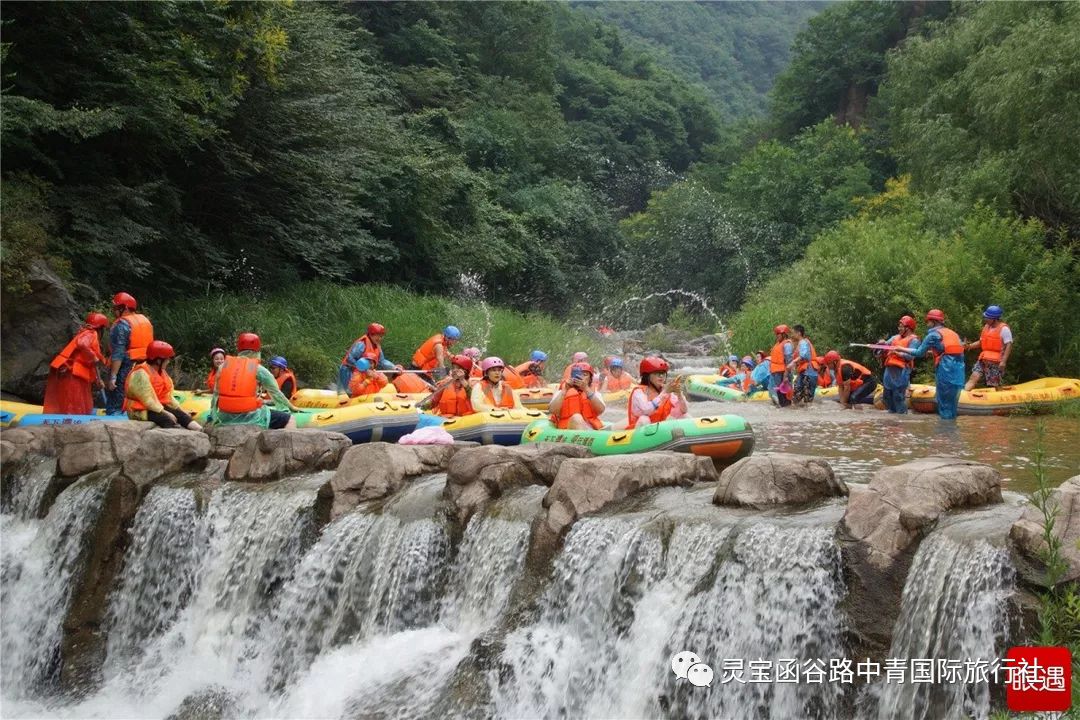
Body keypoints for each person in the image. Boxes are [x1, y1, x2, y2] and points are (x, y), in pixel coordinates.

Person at [210, 332, 303, 428]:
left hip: (224, 416)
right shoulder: (258, 369)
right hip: (250, 416)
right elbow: (276, 393)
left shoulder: (223, 366)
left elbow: (215, 395)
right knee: (289, 419)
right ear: (257, 351)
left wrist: (212, 416)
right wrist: (291, 407)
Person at [891, 309, 966, 420]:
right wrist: (932, 352)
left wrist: (900, 348)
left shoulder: (932, 335)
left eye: (928, 322)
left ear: (934, 322)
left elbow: (919, 353)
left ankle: (944, 434)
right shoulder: (953, 333)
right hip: (959, 370)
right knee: (952, 403)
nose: (927, 324)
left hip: (945, 369)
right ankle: (952, 431)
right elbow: (949, 349)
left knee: (943, 402)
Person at [124, 341, 202, 430]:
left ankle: (200, 430)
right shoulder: (141, 373)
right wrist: (165, 412)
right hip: (139, 410)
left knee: (181, 415)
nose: (168, 361)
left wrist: (180, 410)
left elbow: (167, 396)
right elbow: (148, 400)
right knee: (168, 419)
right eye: (167, 359)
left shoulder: (161, 372)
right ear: (158, 360)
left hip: (157, 406)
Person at [43, 312, 109, 415]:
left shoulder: (85, 332)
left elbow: (90, 366)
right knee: (74, 406)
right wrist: (94, 356)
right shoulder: (90, 333)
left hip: (74, 374)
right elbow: (82, 344)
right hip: (73, 375)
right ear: (100, 328)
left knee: (77, 404)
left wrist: (97, 380)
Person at [104, 292, 154, 415]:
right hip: (146, 366)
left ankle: (115, 415)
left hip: (126, 366)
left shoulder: (122, 325)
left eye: (116, 308)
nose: (114, 311)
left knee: (117, 398)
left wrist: (113, 376)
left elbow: (118, 353)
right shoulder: (145, 321)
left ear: (124, 308)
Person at [627, 356, 690, 428]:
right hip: (637, 430)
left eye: (663, 373)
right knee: (644, 419)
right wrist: (664, 392)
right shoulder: (639, 392)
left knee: (685, 416)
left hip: (658, 429)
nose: (661, 376)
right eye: (657, 373)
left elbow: (684, 410)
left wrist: (679, 394)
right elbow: (646, 410)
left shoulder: (665, 390)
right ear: (647, 376)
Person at [964, 305, 1013, 391]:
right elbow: (981, 342)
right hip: (983, 359)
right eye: (985, 317)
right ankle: (961, 395)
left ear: (995, 319)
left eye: (988, 318)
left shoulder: (1004, 329)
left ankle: (1000, 399)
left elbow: (1009, 345)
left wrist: (1003, 361)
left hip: (996, 362)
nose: (985, 319)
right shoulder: (986, 327)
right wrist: (969, 346)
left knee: (995, 384)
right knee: (974, 377)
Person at [339, 323, 396, 395]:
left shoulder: (377, 346)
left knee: (362, 390)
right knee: (351, 392)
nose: (380, 339)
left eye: (381, 336)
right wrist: (363, 369)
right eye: (378, 336)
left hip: (362, 372)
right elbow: (350, 358)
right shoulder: (362, 344)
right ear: (371, 334)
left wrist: (394, 367)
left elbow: (382, 361)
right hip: (348, 370)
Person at [879, 315, 919, 413]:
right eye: (899, 327)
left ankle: (901, 418)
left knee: (898, 396)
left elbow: (911, 356)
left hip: (902, 370)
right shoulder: (894, 338)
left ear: (908, 328)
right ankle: (892, 418)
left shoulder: (914, 340)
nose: (899, 329)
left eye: (901, 327)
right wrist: (882, 343)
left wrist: (898, 353)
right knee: (886, 396)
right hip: (889, 369)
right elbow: (885, 347)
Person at [549, 363, 606, 429]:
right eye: (577, 374)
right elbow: (553, 411)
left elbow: (601, 410)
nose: (581, 377)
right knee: (577, 417)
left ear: (590, 379)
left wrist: (586, 389)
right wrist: (564, 391)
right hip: (569, 428)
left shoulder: (594, 393)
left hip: (591, 428)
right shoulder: (561, 392)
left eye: (584, 375)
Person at [787, 325, 819, 405]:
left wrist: (792, 362)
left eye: (793, 333)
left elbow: (804, 355)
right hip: (805, 372)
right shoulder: (801, 343)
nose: (792, 335)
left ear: (799, 333)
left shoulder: (803, 342)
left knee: (806, 401)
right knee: (797, 399)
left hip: (808, 371)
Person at [768, 325, 794, 408]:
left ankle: (786, 408)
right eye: (776, 334)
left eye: (778, 334)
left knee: (784, 394)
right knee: (777, 393)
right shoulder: (777, 344)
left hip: (783, 372)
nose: (777, 336)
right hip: (776, 372)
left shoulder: (787, 345)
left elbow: (789, 360)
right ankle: (781, 408)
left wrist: (786, 375)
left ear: (784, 334)